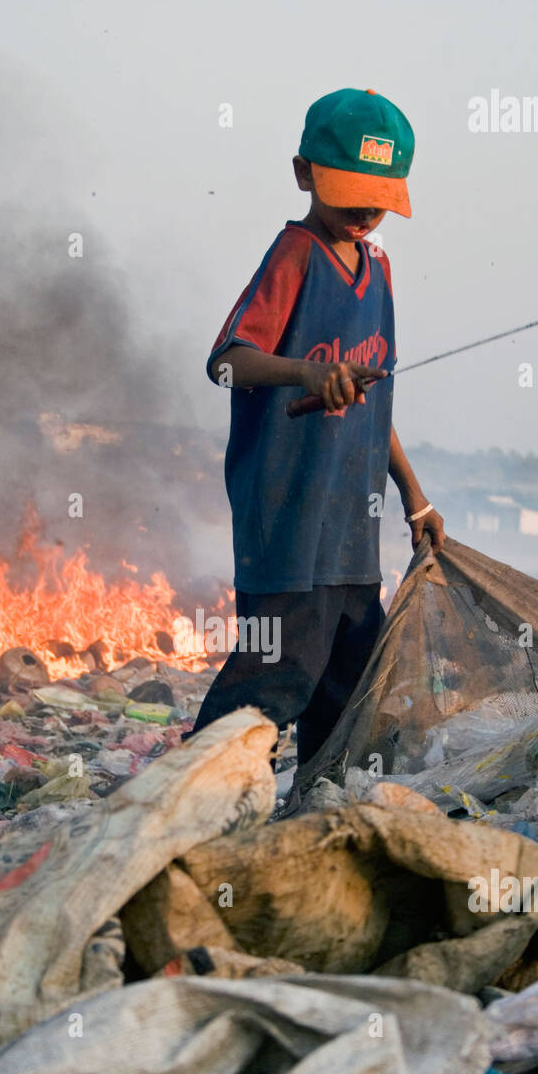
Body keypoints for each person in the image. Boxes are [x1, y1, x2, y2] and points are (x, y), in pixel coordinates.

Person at [192, 87, 445, 767]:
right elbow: (227, 364)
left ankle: (318, 816)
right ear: (304, 173)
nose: (365, 211)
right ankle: (180, 802)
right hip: (289, 523)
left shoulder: (381, 271)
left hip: (351, 535)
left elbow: (379, 404)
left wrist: (413, 496)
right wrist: (304, 373)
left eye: (378, 198)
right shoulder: (296, 255)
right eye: (351, 192)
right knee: (274, 678)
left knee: (349, 691)